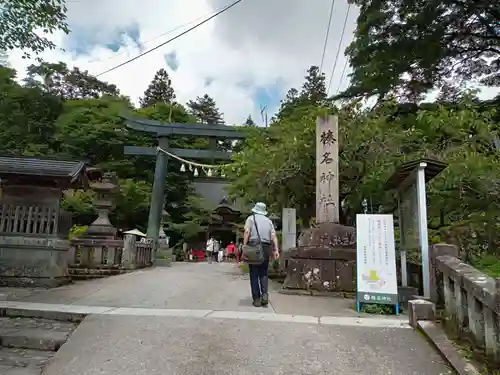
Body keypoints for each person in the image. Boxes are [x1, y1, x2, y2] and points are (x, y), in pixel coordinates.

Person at [243, 202, 279, 307]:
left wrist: (244, 246)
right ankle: (265, 294)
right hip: (266, 247)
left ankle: (257, 299)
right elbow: (273, 236)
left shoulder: (250, 219)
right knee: (263, 272)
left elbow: (246, 232)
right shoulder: (269, 221)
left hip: (254, 246)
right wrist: (276, 249)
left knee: (254, 273)